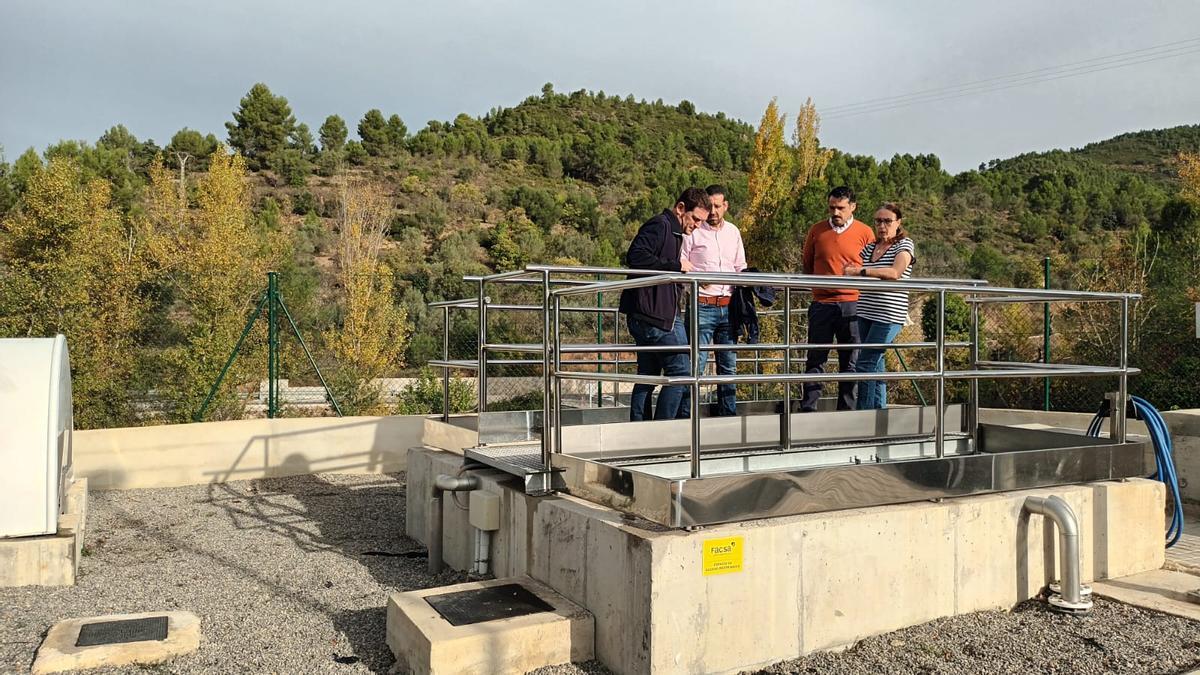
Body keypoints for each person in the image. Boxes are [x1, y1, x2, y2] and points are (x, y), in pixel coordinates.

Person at [619, 187, 709, 421]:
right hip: (655, 315)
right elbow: (636, 256)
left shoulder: (673, 231)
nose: (698, 225)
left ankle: (640, 432)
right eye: (696, 219)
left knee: (648, 375)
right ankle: (663, 432)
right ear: (681, 208)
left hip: (651, 313)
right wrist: (675, 266)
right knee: (681, 372)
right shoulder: (661, 225)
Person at [799, 186, 875, 411]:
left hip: (853, 304)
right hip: (822, 304)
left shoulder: (865, 232)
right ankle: (809, 409)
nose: (836, 212)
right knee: (815, 359)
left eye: (841, 208)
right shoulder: (817, 230)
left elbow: (872, 266)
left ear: (853, 207)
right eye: (832, 207)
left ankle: (847, 412)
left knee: (850, 361)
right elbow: (807, 263)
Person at [680, 184, 747, 416]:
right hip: (701, 305)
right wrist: (697, 281)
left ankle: (728, 416)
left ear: (726, 206)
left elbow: (740, 266)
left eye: (718, 206)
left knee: (728, 366)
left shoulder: (734, 232)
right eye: (710, 207)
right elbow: (681, 262)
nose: (714, 211)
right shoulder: (693, 230)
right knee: (695, 365)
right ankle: (686, 417)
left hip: (728, 306)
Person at [843, 203, 916, 409]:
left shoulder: (904, 245)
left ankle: (863, 416)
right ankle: (879, 412)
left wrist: (861, 272)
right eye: (878, 221)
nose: (882, 225)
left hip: (889, 315)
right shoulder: (869, 248)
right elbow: (860, 275)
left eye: (887, 221)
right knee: (876, 363)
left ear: (898, 223)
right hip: (866, 311)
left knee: (865, 364)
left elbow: (895, 273)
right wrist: (852, 273)